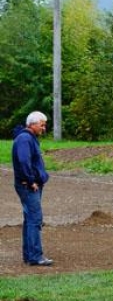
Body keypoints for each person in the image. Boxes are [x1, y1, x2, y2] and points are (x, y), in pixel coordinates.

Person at [12, 111, 53, 266]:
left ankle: (29, 255)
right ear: (33, 124)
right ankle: (36, 256)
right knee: (35, 219)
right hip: (28, 186)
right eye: (42, 125)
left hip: (30, 185)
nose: (44, 128)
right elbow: (24, 161)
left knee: (30, 219)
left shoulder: (29, 138)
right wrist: (31, 181)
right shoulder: (25, 139)